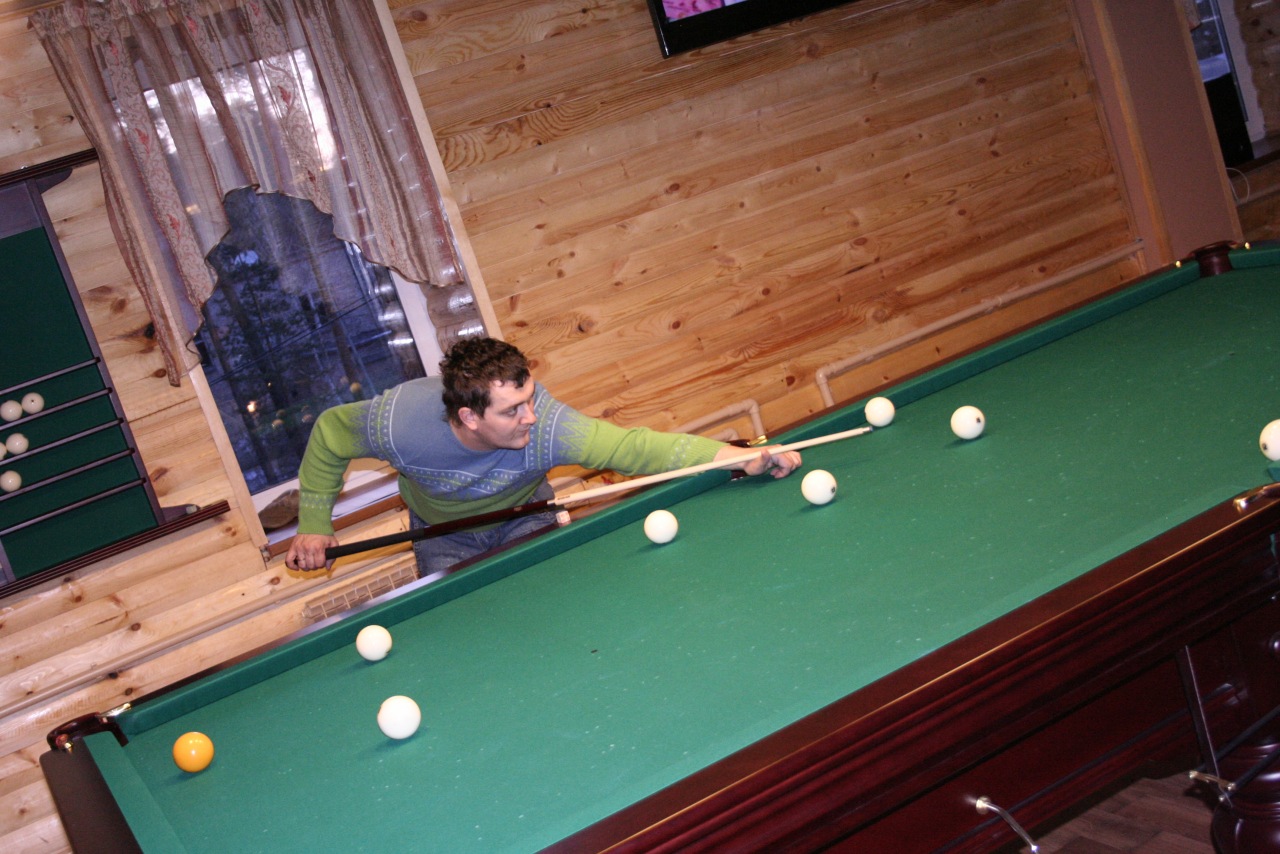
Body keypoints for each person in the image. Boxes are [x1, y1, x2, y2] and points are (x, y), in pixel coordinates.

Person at [286, 337, 801, 576]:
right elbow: (330, 434)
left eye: (530, 398)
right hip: (442, 535)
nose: (530, 417)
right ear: (469, 417)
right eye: (512, 410)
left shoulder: (547, 426)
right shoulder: (398, 423)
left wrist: (734, 456)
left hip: (526, 515)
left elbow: (635, 448)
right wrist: (313, 523)